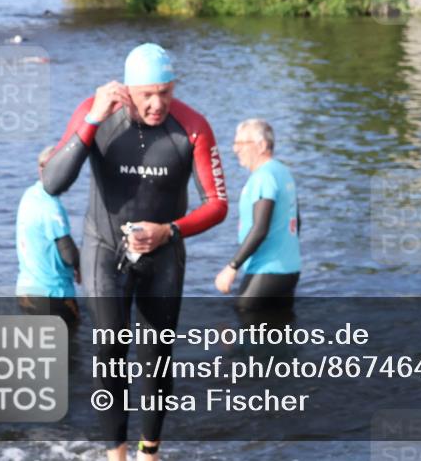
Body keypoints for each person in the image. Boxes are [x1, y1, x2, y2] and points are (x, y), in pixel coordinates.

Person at [42, 43, 228, 461]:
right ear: (127, 89)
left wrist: (169, 231)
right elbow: (53, 183)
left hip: (163, 253)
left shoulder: (193, 126)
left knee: (157, 358)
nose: (158, 103)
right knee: (109, 351)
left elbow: (218, 204)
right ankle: (116, 454)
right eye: (147, 94)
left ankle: (149, 453)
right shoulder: (95, 111)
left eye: (166, 91)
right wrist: (91, 121)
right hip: (104, 250)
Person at [214, 119, 301, 309]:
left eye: (241, 143)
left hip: (267, 270)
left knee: (244, 319)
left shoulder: (263, 177)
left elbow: (260, 228)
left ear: (261, 146)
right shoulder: (283, 172)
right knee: (279, 329)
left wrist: (231, 267)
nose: (235, 149)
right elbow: (296, 221)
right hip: (290, 269)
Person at [16, 146, 81, 330]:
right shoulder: (50, 207)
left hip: (26, 291)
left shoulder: (30, 194)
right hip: (53, 295)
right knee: (69, 353)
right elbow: (69, 255)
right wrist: (83, 263)